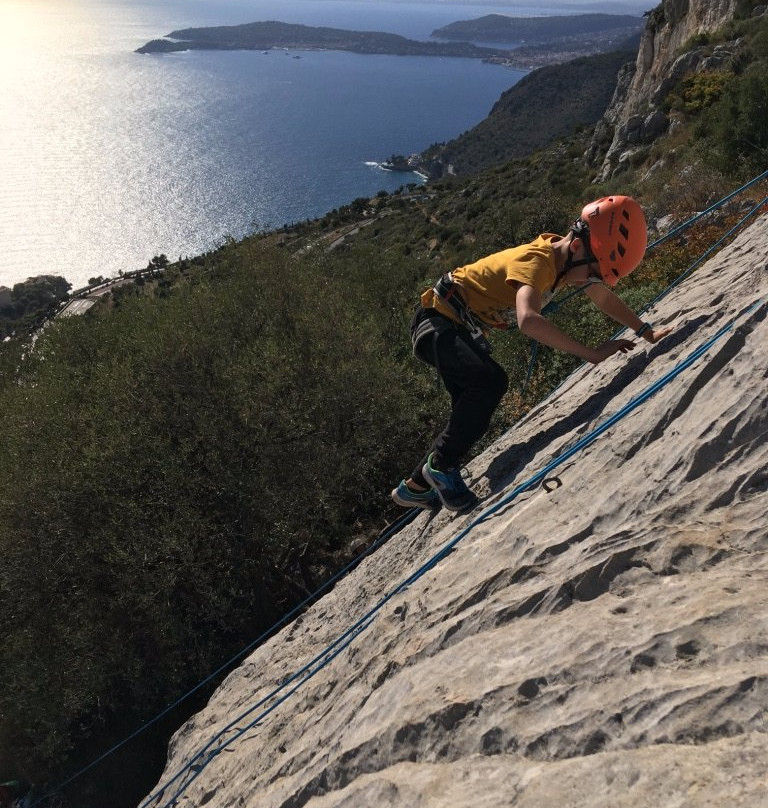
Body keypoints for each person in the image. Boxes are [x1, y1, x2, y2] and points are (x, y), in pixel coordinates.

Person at [391, 195, 673, 514]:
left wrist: (645, 331)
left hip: (446, 325)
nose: (592, 280)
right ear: (579, 248)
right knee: (490, 383)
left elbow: (603, 299)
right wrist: (591, 354)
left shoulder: (568, 263)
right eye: (594, 272)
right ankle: (440, 468)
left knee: (471, 413)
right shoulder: (538, 261)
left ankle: (414, 488)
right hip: (437, 322)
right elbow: (528, 320)